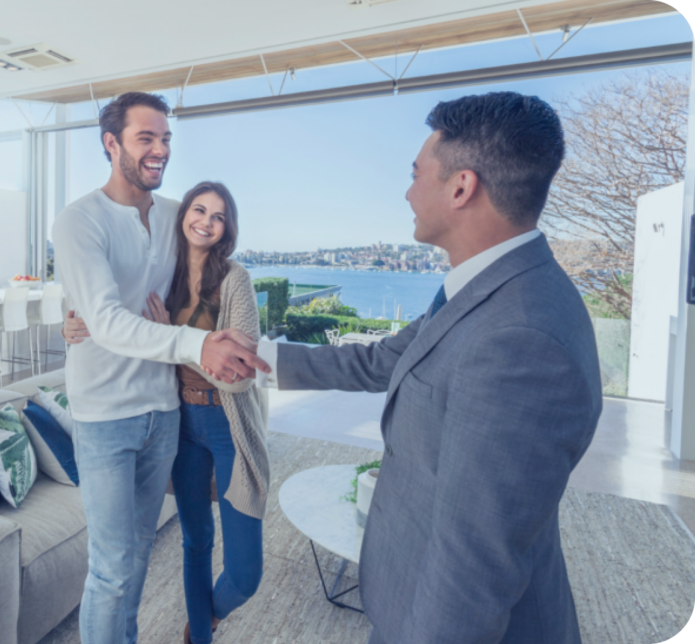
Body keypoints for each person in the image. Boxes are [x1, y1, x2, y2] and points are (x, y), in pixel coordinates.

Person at [254, 92, 602, 643]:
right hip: (405, 598)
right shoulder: (485, 288)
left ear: (461, 187)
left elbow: (473, 566)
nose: (408, 191)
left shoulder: (521, 341)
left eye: (417, 174)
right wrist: (259, 359)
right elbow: (388, 360)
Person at [51, 92, 269, 644]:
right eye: (145, 138)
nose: (159, 150)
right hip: (105, 416)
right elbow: (103, 316)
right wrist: (75, 318)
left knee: (142, 554)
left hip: (165, 412)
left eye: (165, 138)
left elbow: (209, 276)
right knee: (111, 567)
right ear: (111, 144)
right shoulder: (79, 220)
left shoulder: (176, 216)